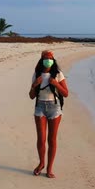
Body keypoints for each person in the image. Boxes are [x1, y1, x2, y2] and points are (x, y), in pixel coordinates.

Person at [28, 50, 69, 178]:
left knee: (52, 139)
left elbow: (66, 93)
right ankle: (41, 164)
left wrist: (55, 83)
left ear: (53, 59)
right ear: (41, 60)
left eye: (50, 58)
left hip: (54, 108)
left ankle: (49, 169)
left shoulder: (58, 74)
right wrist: (35, 84)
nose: (48, 60)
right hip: (40, 107)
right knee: (41, 139)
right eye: (45, 58)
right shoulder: (37, 74)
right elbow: (31, 96)